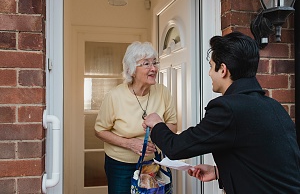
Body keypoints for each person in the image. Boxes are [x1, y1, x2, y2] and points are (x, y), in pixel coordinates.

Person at [142, 32, 300, 194]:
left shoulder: (227, 109)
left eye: (211, 66)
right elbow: (264, 163)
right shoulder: (274, 106)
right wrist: (218, 172)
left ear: (223, 70)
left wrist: (157, 124)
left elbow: (176, 148)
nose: (210, 73)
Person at [94, 41, 177, 194]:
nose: (153, 68)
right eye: (146, 64)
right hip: (120, 165)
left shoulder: (163, 92)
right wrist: (130, 144)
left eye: (155, 63)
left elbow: (172, 124)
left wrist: (156, 135)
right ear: (131, 70)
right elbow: (100, 130)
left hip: (152, 163)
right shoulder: (114, 96)